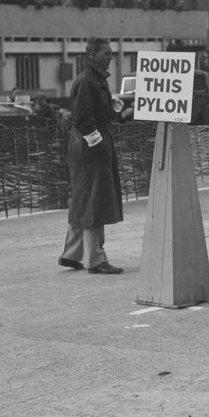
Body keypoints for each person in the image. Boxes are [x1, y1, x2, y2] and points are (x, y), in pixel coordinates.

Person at [58, 38, 124, 275]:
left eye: (111, 54)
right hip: (89, 148)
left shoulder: (92, 79)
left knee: (82, 198)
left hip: (82, 148)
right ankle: (95, 259)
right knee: (95, 200)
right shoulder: (88, 81)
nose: (110, 58)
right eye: (106, 54)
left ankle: (72, 254)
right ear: (92, 55)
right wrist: (99, 146)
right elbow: (85, 121)